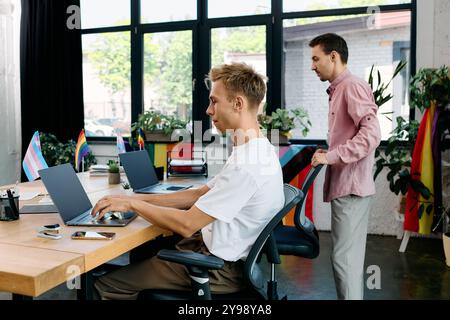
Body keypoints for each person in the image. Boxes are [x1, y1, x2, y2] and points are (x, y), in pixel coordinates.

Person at [91, 62, 285, 300]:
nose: (208, 110)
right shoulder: (255, 150)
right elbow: (198, 194)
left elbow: (187, 224)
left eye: (214, 101)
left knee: (103, 285)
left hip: (217, 269)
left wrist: (132, 206)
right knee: (146, 251)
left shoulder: (248, 165)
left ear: (238, 104)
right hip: (219, 254)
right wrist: (132, 198)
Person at [308, 33, 381, 300]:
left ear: (334, 56)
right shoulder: (339, 89)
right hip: (347, 187)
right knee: (345, 260)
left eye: (316, 58)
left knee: (344, 261)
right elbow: (352, 136)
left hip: (351, 189)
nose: (312, 65)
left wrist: (331, 157)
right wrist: (330, 152)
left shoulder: (352, 86)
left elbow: (372, 135)